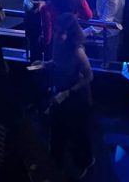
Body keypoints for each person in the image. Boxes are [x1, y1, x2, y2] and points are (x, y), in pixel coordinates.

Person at [48, 12, 94, 178]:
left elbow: (89, 76)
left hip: (76, 96)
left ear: (70, 33)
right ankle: (54, 165)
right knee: (57, 131)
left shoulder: (77, 52)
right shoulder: (58, 43)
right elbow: (57, 62)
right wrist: (45, 64)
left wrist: (69, 92)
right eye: (56, 31)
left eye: (60, 32)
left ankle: (86, 161)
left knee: (77, 132)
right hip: (61, 91)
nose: (57, 35)